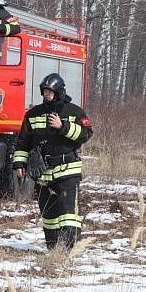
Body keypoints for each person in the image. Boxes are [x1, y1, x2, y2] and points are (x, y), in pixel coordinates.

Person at [12, 73, 93, 250]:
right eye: (44, 91)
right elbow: (23, 141)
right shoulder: (33, 114)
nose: (46, 94)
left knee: (67, 213)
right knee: (48, 214)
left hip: (67, 170)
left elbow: (86, 134)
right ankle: (53, 249)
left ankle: (69, 251)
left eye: (50, 91)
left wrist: (62, 127)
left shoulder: (74, 111)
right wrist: (19, 164)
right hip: (43, 174)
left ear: (59, 91)